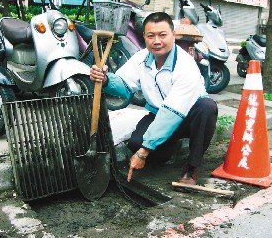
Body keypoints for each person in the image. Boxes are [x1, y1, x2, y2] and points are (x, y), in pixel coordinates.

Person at [90, 12, 218, 185]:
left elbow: (172, 112)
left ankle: (191, 167)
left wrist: (144, 152)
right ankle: (169, 149)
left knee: (207, 107)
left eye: (162, 35)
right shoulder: (141, 58)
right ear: (144, 37)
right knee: (136, 143)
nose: (157, 41)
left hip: (188, 117)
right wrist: (106, 80)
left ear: (173, 35)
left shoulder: (185, 65)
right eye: (151, 36)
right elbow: (125, 85)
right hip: (158, 114)